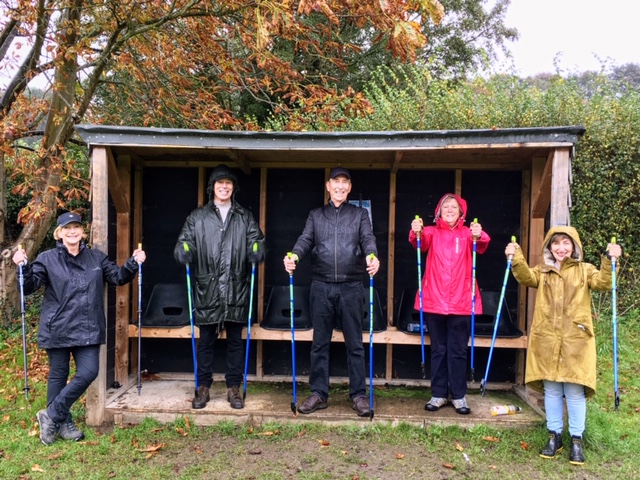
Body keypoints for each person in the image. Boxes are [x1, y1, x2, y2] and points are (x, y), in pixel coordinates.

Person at [12, 212, 146, 446]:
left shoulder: (96, 258)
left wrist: (134, 262)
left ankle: (51, 415)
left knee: (89, 372)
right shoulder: (47, 258)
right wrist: (22, 267)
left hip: (88, 328)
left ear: (83, 231)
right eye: (67, 228)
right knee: (58, 375)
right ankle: (61, 424)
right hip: (58, 328)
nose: (72, 232)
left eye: (77, 227)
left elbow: (118, 276)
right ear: (59, 233)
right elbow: (30, 285)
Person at [505, 226, 621, 465]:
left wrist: (611, 261)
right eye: (555, 243)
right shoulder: (543, 271)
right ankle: (554, 436)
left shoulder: (584, 270)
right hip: (547, 339)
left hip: (576, 342)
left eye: (566, 243)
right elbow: (526, 277)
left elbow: (603, 283)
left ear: (575, 246)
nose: (561, 248)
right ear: (549, 247)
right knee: (553, 390)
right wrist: (515, 257)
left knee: (575, 392)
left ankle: (576, 440)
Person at [283, 166, 380, 417]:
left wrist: (372, 255)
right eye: (336, 182)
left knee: (355, 344)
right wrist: (294, 254)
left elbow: (368, 239)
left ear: (349, 188)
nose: (340, 186)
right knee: (319, 343)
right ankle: (318, 394)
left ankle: (358, 395)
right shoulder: (316, 215)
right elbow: (305, 240)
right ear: (328, 186)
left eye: (344, 182)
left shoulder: (359, 215)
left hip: (351, 286)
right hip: (321, 285)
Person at [174, 164, 265, 411]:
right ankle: (203, 388)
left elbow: (257, 241)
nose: (224, 187)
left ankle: (234, 388)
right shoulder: (197, 217)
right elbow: (183, 243)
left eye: (228, 183)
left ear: (233, 188)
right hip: (208, 289)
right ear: (212, 187)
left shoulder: (244, 216)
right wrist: (184, 251)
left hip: (236, 287)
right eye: (219, 183)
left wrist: (257, 251)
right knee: (206, 342)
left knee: (236, 341)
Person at [409, 193, 489, 415]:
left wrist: (479, 233)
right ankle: (438, 394)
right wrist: (416, 229)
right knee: (439, 350)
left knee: (458, 350)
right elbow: (418, 240)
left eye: (454, 207)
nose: (450, 210)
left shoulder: (467, 233)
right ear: (439, 212)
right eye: (446, 207)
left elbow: (483, 244)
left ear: (461, 212)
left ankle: (459, 396)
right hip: (435, 300)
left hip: (462, 302)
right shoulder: (432, 232)